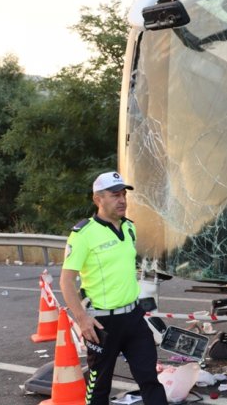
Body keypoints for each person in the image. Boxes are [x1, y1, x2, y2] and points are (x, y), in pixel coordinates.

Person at [60, 172, 168, 405]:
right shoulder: (83, 234)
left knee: (149, 379)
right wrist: (82, 319)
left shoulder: (129, 228)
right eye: (115, 195)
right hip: (101, 324)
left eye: (123, 195)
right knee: (99, 388)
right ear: (98, 199)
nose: (122, 200)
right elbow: (66, 281)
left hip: (133, 318)